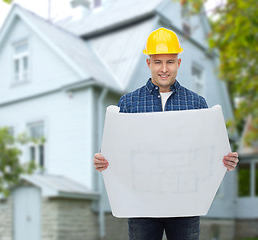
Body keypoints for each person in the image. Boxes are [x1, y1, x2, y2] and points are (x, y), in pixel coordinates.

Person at [93, 28, 239, 240]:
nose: (164, 69)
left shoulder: (196, 103)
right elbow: (115, 150)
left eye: (170, 62)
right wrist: (101, 159)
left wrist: (225, 160)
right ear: (148, 63)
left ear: (178, 63)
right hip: (140, 205)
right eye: (158, 62)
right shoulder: (129, 103)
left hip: (185, 206)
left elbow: (208, 151)